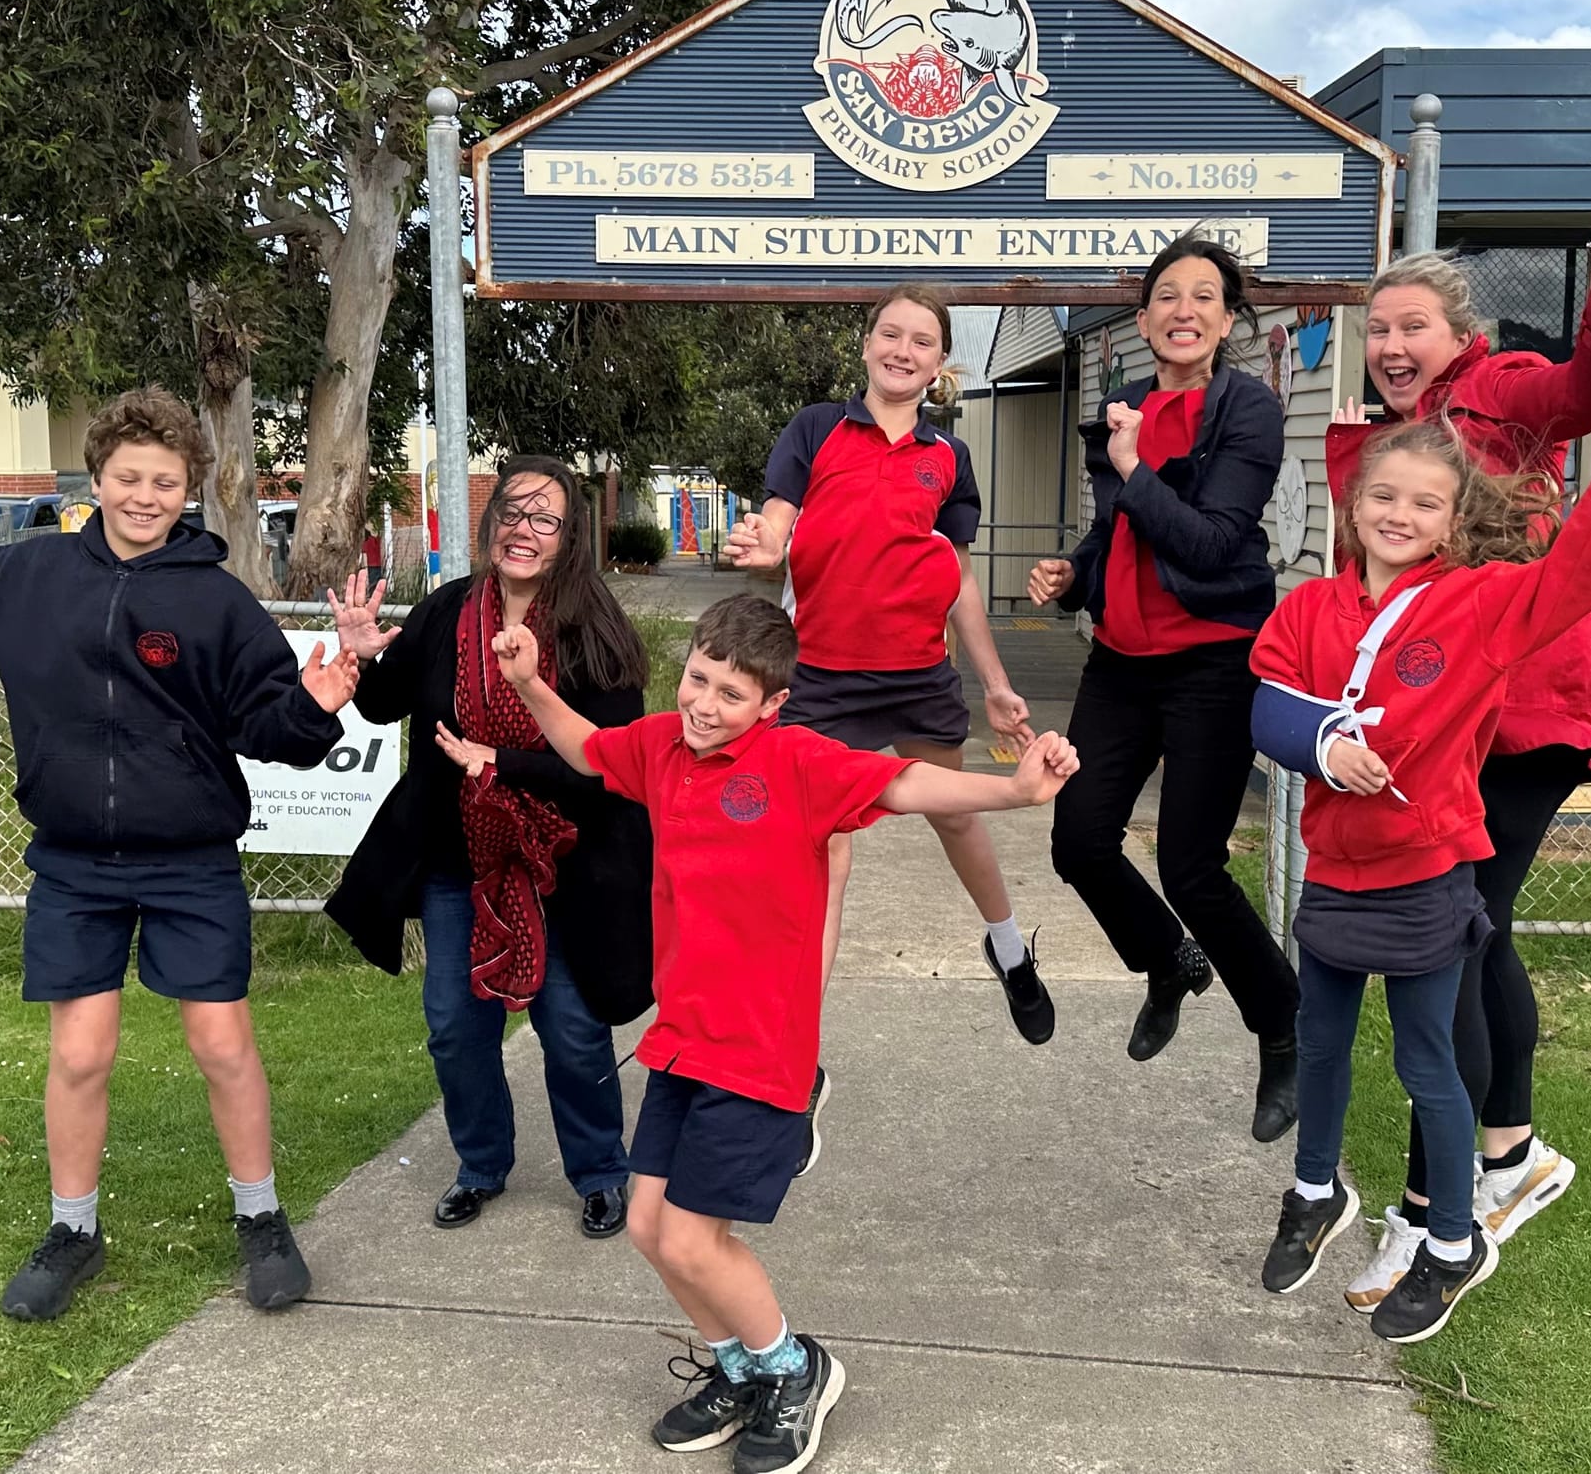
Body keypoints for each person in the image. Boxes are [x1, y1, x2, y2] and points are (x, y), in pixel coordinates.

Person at [493, 592, 1078, 1474]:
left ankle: (795, 1367)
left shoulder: (797, 761)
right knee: (649, 1226)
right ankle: (740, 1369)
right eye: (698, 678)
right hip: (683, 1037)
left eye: (731, 694)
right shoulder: (661, 746)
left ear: (773, 703)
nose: (704, 704)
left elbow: (905, 783)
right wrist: (531, 684)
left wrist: (1016, 790)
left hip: (759, 1048)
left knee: (692, 1238)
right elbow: (586, 746)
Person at [0, 388, 360, 1321]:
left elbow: (268, 725)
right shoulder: (27, 573)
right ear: (97, 479)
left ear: (188, 489)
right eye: (128, 477)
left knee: (223, 1042)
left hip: (192, 859)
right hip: (74, 862)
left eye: (165, 481)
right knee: (81, 1053)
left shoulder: (216, 600)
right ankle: (73, 1230)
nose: (145, 495)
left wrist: (314, 707)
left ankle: (262, 1216)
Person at [1327, 144, 1591, 1307]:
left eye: (1412, 326)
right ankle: (1509, 1155)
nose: (1391, 344)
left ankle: (1439, 1210)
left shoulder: (1499, 389)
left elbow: (1585, 389)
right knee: (1473, 933)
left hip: (1534, 702)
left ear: (1460, 333)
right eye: (1377, 329)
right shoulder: (1389, 441)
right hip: (1456, 720)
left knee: (1443, 937)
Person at [1250, 369, 1591, 1344]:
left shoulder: (1478, 606)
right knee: (1317, 1041)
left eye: (1424, 503)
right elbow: (1269, 703)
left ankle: (1451, 1241)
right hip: (1337, 867)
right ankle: (1315, 1192)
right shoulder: (1308, 609)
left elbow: (1585, 567)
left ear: (1453, 524)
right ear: (1352, 507)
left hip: (1426, 872)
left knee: (1427, 1061)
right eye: (1382, 495)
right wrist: (1323, 743)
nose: (1398, 515)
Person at [725, 284, 1053, 1169]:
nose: (903, 350)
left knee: (957, 815)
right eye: (890, 333)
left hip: (916, 676)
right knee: (825, 855)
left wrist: (995, 684)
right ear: (867, 343)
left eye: (922, 340)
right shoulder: (816, 429)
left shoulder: (949, 456)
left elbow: (957, 579)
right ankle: (797, 1065)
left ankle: (1009, 950)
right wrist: (767, 543)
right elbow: (779, 523)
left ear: (940, 361)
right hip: (822, 680)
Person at [325, 457, 654, 1240]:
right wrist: (362, 653)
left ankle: (600, 1170)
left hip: (564, 864)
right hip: (460, 860)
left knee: (571, 1028)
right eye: (511, 511)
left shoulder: (595, 627)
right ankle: (480, 1163)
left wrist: (501, 761)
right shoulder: (449, 610)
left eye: (545, 518)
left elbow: (610, 764)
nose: (523, 530)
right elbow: (384, 704)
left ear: (570, 536)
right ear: (490, 520)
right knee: (453, 1023)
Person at [1028, 235, 1301, 1142]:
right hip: (1120, 660)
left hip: (1212, 662)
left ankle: (1280, 1026)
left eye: (1204, 296)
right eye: (1167, 296)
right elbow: (1117, 531)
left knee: (1191, 865)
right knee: (1078, 839)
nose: (1185, 309)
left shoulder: (1248, 410)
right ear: (1143, 319)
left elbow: (1213, 543)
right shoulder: (1124, 409)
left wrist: (1136, 467)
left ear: (1227, 319)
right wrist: (1074, 571)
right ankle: (1166, 959)